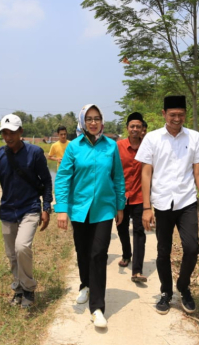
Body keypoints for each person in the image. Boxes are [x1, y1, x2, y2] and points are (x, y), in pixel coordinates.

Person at [135, 95, 199, 315]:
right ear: (163, 114)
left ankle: (183, 287)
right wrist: (147, 208)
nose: (177, 118)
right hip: (161, 202)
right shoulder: (152, 138)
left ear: (185, 114)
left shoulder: (195, 137)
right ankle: (166, 292)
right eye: (172, 115)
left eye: (181, 114)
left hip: (186, 201)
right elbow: (146, 172)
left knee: (192, 247)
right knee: (163, 251)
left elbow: (198, 171)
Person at [54, 104, 125, 329]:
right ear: (83, 122)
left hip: (104, 209)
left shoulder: (111, 146)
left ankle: (97, 308)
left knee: (98, 254)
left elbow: (117, 178)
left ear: (102, 121)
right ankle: (85, 284)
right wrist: (62, 209)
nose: (93, 122)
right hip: (79, 209)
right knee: (82, 252)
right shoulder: (74, 147)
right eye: (89, 119)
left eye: (97, 118)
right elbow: (63, 178)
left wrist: (120, 206)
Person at [0, 114, 53, 308]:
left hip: (30, 208)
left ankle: (29, 289)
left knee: (22, 247)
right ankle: (18, 290)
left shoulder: (35, 153)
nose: (8, 136)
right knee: (11, 254)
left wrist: (46, 207)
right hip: (8, 210)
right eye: (4, 132)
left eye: (12, 132)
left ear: (21, 132)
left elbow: (46, 181)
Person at [116, 112, 148, 284]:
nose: (135, 129)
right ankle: (126, 254)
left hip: (140, 197)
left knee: (139, 231)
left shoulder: (148, 146)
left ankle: (137, 270)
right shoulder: (118, 146)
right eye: (132, 126)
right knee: (121, 228)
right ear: (127, 128)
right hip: (121, 196)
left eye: (138, 126)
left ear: (142, 129)